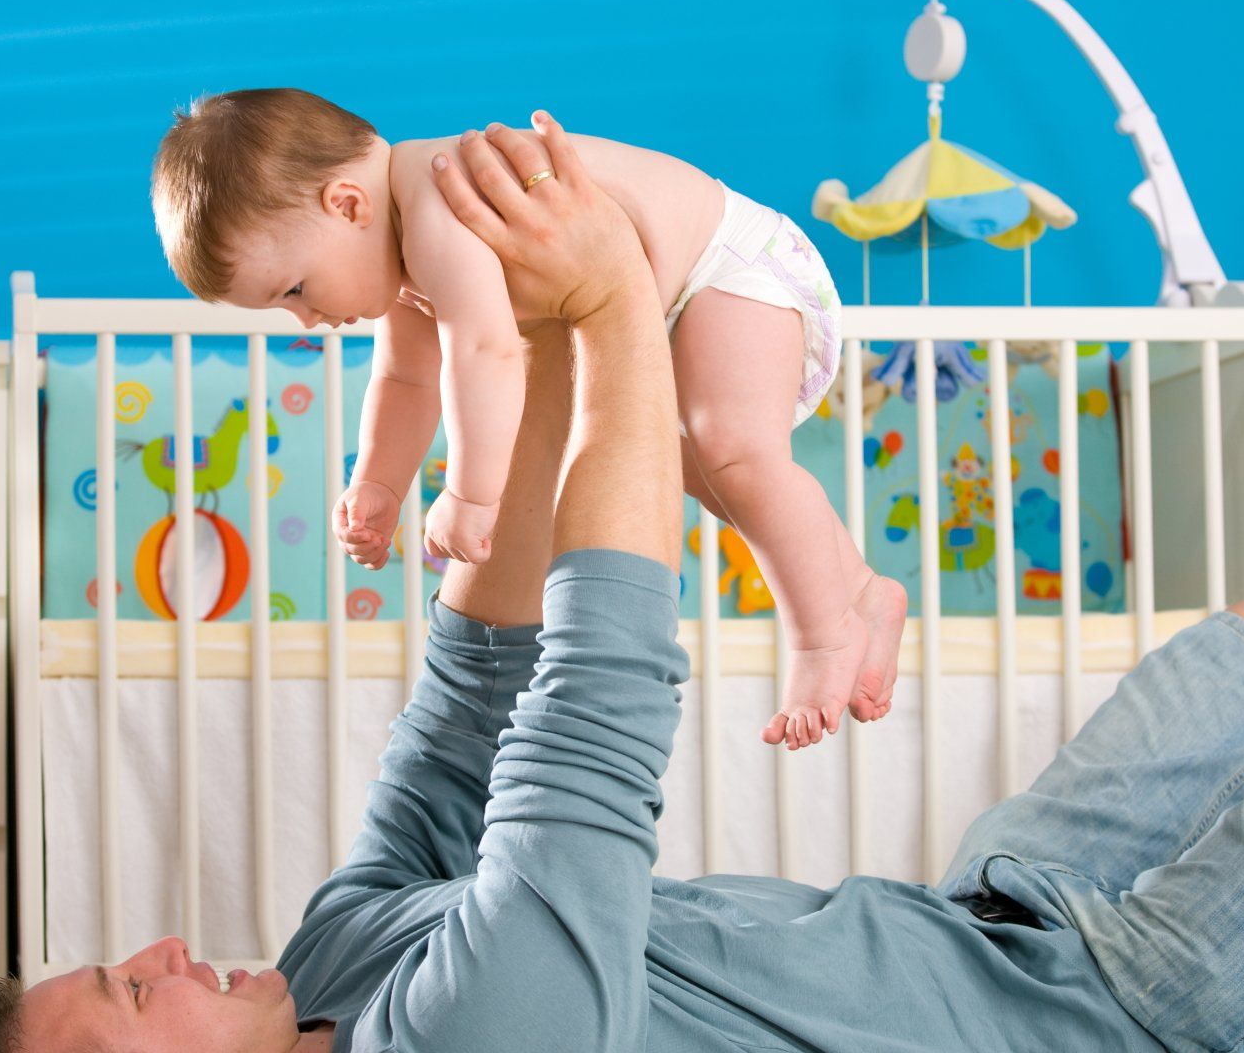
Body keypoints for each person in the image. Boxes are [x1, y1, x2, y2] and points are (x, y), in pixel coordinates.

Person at [0, 114, 1244, 1053]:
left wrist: (544, 371)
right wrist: (616, 314)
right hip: (1128, 1043)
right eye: (131, 987)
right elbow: (596, 696)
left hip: (1000, 922)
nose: (163, 947)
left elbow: (475, 698)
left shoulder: (333, 967)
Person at [149, 88, 905, 750]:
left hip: (733, 266)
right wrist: (377, 483)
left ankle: (823, 636)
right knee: (698, 464)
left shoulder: (439, 205)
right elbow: (405, 378)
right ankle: (860, 585)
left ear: (347, 205)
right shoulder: (402, 252)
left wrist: (470, 495)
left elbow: (486, 351)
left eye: (295, 290)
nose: (308, 320)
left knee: (736, 453)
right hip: (681, 299)